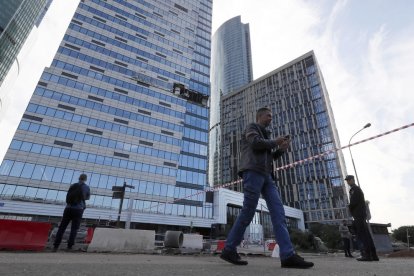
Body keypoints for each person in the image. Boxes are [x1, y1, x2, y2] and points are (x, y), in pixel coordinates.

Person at [220, 107, 314, 269]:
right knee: (248, 212)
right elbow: (256, 144)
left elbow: (269, 157)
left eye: (272, 116)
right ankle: (229, 249)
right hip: (253, 172)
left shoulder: (267, 136)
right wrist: (276, 142)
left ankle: (287, 255)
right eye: (268, 116)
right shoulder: (252, 128)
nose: (271, 118)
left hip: (267, 176)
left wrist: (281, 150)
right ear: (260, 117)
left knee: (279, 213)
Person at [53, 174, 90, 252]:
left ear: (79, 178)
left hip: (68, 208)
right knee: (74, 229)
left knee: (62, 228)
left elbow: (68, 195)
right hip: (78, 209)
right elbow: (87, 198)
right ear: (85, 179)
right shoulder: (86, 187)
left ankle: (55, 246)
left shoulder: (73, 185)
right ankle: (69, 246)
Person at [345, 175, 379, 261]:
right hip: (361, 215)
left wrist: (349, 207)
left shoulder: (354, 189)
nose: (348, 182)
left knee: (362, 235)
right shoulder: (357, 189)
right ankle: (373, 255)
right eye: (347, 180)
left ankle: (367, 255)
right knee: (366, 235)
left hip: (358, 215)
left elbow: (353, 203)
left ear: (353, 180)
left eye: (349, 180)